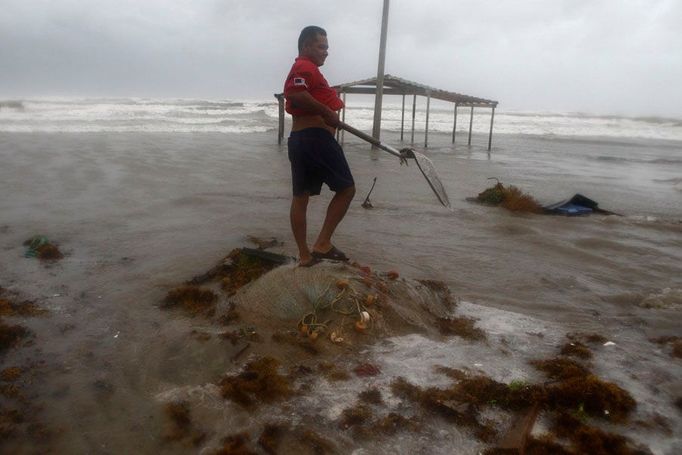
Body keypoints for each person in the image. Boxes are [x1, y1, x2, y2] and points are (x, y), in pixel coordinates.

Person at [283, 26, 356, 267]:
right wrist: (326, 112)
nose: (326, 52)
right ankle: (322, 243)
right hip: (315, 139)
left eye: (327, 47)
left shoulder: (307, 68)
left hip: (301, 140)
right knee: (347, 189)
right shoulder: (304, 66)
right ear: (306, 47)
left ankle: (305, 256)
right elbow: (295, 93)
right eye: (321, 47)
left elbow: (299, 94)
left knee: (301, 197)